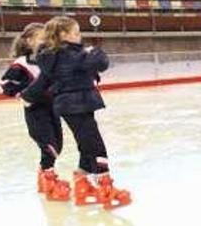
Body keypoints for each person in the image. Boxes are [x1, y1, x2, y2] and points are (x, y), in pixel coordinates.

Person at [22, 16, 131, 209]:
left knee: (86, 144)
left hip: (70, 105)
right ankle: (105, 186)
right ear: (64, 35)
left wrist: (28, 96)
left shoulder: (52, 57)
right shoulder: (75, 55)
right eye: (76, 33)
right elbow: (102, 63)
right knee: (96, 145)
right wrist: (94, 51)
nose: (80, 37)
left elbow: (42, 83)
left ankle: (82, 183)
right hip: (78, 104)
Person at [0, 22, 70, 201]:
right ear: (29, 41)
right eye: (41, 38)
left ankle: (43, 174)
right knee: (49, 145)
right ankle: (48, 179)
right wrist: (23, 94)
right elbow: (6, 84)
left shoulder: (49, 60)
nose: (45, 41)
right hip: (35, 112)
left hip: (53, 109)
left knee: (58, 146)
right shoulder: (21, 64)